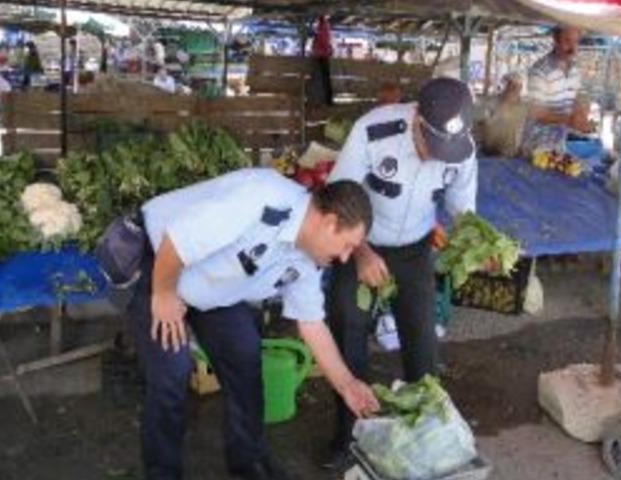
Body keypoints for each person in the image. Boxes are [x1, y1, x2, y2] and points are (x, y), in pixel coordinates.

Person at [132, 168, 380, 480]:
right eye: (346, 245)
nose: (345, 258)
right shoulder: (260, 198)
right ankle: (162, 473)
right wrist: (164, 294)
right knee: (172, 371)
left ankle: (248, 461)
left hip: (213, 288)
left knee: (245, 355)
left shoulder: (309, 257)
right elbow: (178, 241)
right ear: (329, 223)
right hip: (161, 262)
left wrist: (347, 384)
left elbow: (312, 323)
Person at [322, 77, 483, 469]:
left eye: (448, 150)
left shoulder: (462, 151)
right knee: (348, 332)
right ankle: (348, 439)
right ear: (416, 120)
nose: (438, 157)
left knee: (422, 345)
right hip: (358, 245)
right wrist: (360, 252)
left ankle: (423, 440)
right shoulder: (372, 130)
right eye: (433, 146)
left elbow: (463, 212)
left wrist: (477, 245)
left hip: (414, 250)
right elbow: (337, 198)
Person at [521, 25, 592, 154]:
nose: (572, 48)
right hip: (537, 145)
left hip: (560, 143)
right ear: (555, 41)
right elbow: (537, 113)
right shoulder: (540, 71)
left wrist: (582, 110)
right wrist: (570, 120)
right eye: (567, 41)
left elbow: (576, 97)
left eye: (576, 42)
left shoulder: (575, 70)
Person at [481, 72, 528, 157]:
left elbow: (526, 131)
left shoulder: (524, 107)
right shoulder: (490, 103)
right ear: (504, 86)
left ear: (520, 88)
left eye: (516, 86)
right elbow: (481, 125)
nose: (512, 89)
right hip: (488, 152)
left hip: (511, 155)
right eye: (509, 84)